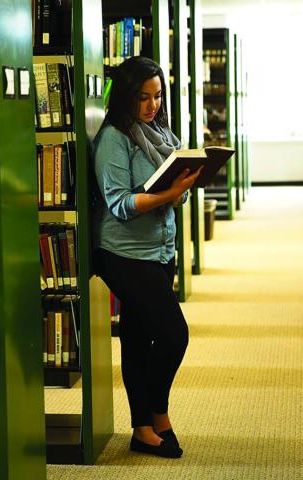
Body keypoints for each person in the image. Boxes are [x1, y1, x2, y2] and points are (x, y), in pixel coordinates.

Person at [92, 56, 202, 459]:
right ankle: (159, 413)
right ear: (126, 96)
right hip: (124, 254)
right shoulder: (113, 139)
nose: (152, 105)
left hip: (160, 249)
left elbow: (175, 194)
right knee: (175, 335)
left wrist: (185, 183)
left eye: (157, 96)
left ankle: (142, 429)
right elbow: (119, 203)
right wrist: (170, 195)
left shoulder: (161, 134)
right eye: (143, 97)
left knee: (139, 340)